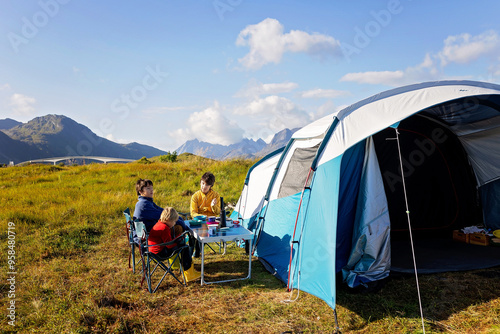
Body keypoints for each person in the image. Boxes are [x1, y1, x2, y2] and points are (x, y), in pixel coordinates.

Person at [148, 207, 201, 282]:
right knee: (185, 247)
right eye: (174, 221)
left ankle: (188, 270)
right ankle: (189, 273)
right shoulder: (164, 228)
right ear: (168, 220)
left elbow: (167, 241)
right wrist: (179, 240)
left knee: (182, 245)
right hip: (160, 253)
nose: (175, 223)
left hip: (153, 250)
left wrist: (177, 239)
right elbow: (170, 245)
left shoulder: (159, 223)